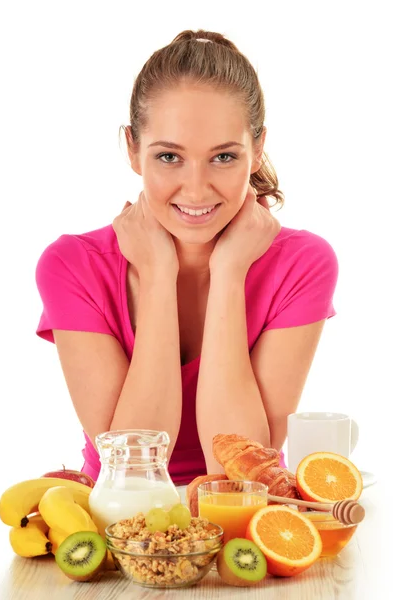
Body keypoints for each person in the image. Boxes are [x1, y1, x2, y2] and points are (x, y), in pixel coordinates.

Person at [35, 29, 338, 487]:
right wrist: (158, 274)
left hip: (242, 523)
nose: (196, 190)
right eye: (169, 156)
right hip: (118, 523)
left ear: (257, 150)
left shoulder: (303, 264)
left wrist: (230, 273)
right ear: (134, 150)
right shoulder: (73, 265)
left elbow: (239, 474)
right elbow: (131, 470)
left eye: (222, 157)